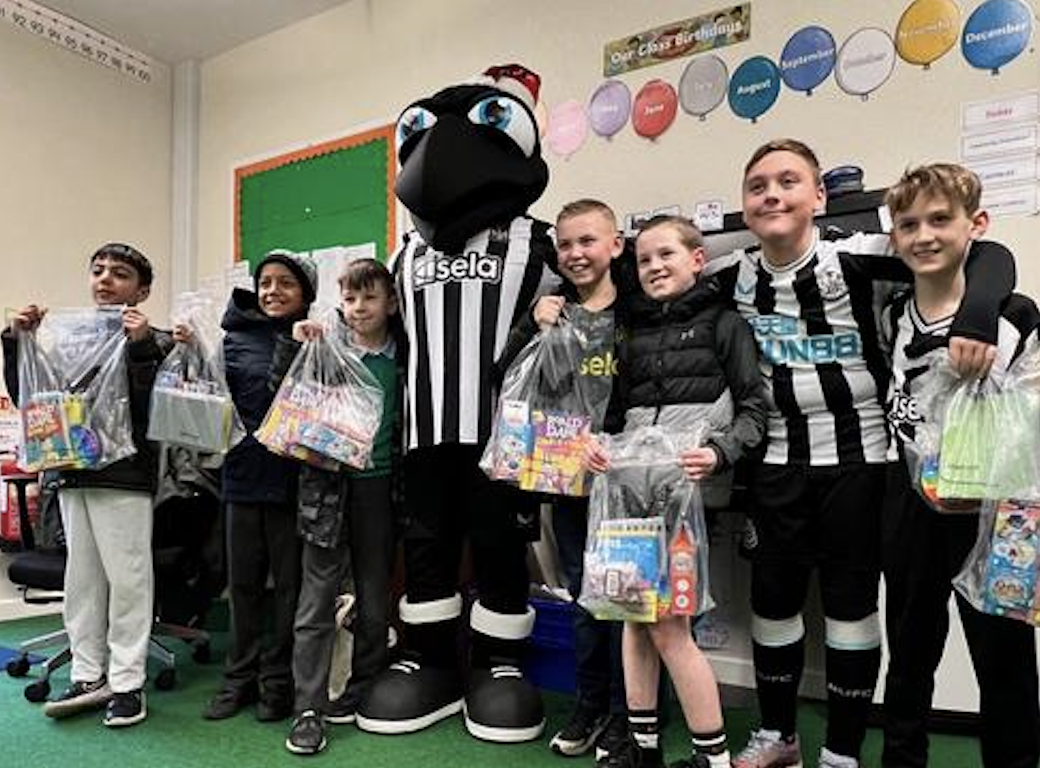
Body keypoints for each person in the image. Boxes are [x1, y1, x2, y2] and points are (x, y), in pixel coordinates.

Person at [703, 139, 1015, 768]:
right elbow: (655, 285)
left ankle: (843, 749)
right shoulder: (729, 275)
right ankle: (778, 736)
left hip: (863, 463)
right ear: (745, 203)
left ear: (819, 198)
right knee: (773, 602)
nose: (772, 194)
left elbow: (984, 254)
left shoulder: (861, 256)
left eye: (789, 181)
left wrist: (981, 314)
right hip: (777, 465)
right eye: (757, 184)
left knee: (851, 604)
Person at [586, 215, 769, 768]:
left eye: (666, 254)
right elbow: (613, 413)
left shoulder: (725, 323)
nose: (654, 267)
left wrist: (719, 453)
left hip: (686, 498)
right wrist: (599, 446)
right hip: (627, 497)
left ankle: (711, 756)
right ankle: (643, 748)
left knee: (669, 627)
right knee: (632, 617)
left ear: (697, 259)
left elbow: (755, 411)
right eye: (644, 259)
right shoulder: (631, 329)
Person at [880, 163, 1040, 768]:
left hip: (994, 507)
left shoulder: (1012, 313)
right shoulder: (892, 312)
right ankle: (902, 758)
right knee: (911, 651)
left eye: (940, 219)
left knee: (1004, 656)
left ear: (976, 224)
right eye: (909, 224)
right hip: (911, 501)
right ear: (893, 235)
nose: (923, 235)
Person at [2, 243, 173, 727]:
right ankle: (87, 672)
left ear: (141, 290)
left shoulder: (155, 342)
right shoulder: (69, 339)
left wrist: (141, 348)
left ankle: (127, 683)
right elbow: (33, 400)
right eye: (98, 271)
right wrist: (19, 341)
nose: (104, 280)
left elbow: (155, 413)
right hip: (73, 473)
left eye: (119, 274)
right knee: (82, 582)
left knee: (129, 582)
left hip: (126, 478)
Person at [496, 199, 630, 759]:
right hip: (569, 481)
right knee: (582, 596)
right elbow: (508, 376)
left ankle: (632, 711)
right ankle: (591, 704)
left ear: (616, 244)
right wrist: (533, 323)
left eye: (588, 241)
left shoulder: (640, 310)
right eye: (566, 244)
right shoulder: (551, 312)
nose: (576, 254)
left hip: (629, 480)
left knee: (629, 598)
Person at [282, 258, 405, 755]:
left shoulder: (405, 358)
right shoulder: (325, 348)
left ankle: (363, 688)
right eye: (349, 299)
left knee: (375, 600)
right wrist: (297, 346)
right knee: (317, 600)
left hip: (382, 490)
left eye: (369, 298)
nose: (358, 308)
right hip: (327, 490)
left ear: (391, 303)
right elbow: (284, 401)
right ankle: (308, 707)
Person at [199, 249, 317, 723]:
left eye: (285, 283)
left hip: (293, 482)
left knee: (289, 588)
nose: (272, 291)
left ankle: (277, 681)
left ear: (305, 294)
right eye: (265, 282)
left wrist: (305, 345)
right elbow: (210, 405)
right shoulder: (230, 342)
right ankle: (238, 679)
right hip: (242, 479)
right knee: (243, 585)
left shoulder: (315, 340)